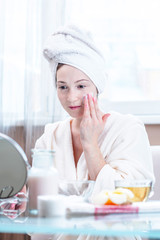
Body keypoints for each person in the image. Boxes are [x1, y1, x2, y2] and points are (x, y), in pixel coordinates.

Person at [32, 25, 155, 240]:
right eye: (62, 87)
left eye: (81, 86)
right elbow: (39, 214)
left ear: (97, 85)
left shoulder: (128, 129)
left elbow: (126, 201)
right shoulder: (50, 137)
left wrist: (90, 145)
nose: (71, 98)